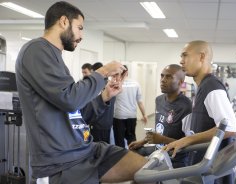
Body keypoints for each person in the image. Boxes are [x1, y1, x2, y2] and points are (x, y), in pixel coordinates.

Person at [15, 1, 147, 183]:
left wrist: (105, 96)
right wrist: (102, 72)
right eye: (79, 28)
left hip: (87, 150)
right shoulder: (36, 50)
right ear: (63, 21)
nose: (81, 35)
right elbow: (70, 99)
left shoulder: (56, 59)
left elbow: (75, 112)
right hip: (61, 161)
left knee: (147, 169)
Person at [163, 40, 236, 182]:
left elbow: (230, 129)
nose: (181, 61)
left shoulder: (212, 87)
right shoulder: (203, 86)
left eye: (185, 55)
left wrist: (188, 140)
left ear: (202, 57)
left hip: (211, 172)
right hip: (201, 165)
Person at [128, 64, 193, 168]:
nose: (163, 80)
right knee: (131, 153)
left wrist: (162, 139)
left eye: (168, 77)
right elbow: (160, 129)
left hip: (175, 157)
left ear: (180, 82)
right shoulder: (159, 100)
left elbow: (189, 143)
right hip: (159, 151)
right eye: (162, 76)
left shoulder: (186, 106)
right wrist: (143, 141)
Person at [81, 62, 116, 144]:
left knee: (98, 149)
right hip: (107, 123)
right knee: (105, 147)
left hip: (98, 123)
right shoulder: (110, 84)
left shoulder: (98, 86)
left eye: (86, 72)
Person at [113, 65, 148, 148]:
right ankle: (134, 156)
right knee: (131, 137)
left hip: (119, 116)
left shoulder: (116, 84)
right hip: (131, 116)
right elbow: (140, 101)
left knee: (119, 139)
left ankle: (121, 158)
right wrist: (144, 114)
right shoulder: (135, 84)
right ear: (127, 72)